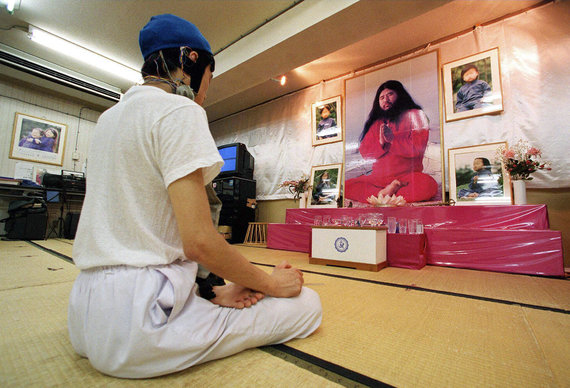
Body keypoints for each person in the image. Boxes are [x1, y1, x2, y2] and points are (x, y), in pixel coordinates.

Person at [68, 14, 322, 379]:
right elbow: (199, 242)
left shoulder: (109, 118)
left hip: (84, 313)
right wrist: (267, 282)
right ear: (192, 61)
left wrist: (213, 292)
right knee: (307, 304)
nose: (206, 91)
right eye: (209, 78)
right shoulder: (179, 110)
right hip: (142, 323)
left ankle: (204, 301)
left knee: (220, 296)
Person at [344, 80, 437, 203]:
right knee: (346, 187)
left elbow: (417, 149)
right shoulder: (376, 122)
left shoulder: (416, 115)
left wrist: (393, 140)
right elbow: (365, 153)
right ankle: (384, 193)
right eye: (381, 97)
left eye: (390, 94)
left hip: (406, 179)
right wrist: (381, 143)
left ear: (400, 95)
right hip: (378, 180)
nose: (385, 99)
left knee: (428, 186)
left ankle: (381, 196)